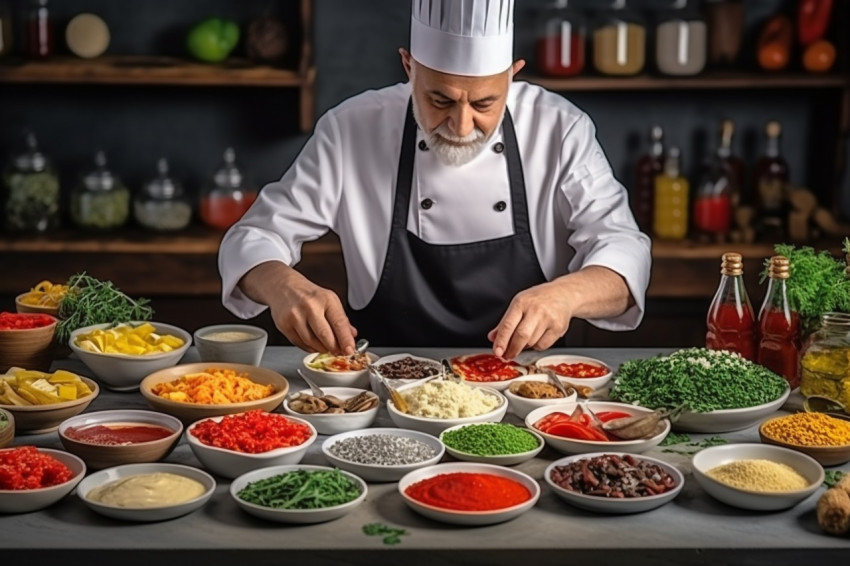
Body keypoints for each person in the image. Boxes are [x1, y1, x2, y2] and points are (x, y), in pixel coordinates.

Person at [218, 0, 652, 360]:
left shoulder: (560, 128)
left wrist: (565, 296)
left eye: (485, 103)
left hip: (529, 394)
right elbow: (255, 236)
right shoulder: (351, 129)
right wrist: (283, 286)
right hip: (381, 392)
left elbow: (623, 249)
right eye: (440, 99)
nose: (462, 126)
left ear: (512, 74)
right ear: (409, 66)